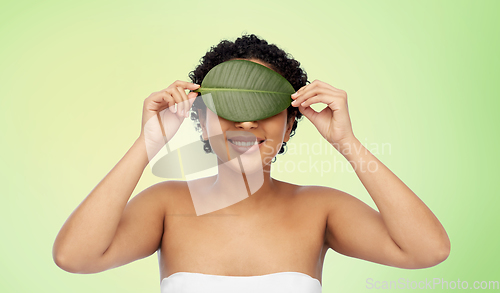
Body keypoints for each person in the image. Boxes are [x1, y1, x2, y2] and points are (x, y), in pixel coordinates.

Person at [52, 34, 450, 292]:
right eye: (229, 108)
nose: (245, 121)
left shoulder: (322, 209)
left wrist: (346, 143)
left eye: (263, 107)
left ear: (291, 120)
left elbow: (427, 250)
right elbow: (75, 257)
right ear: (202, 117)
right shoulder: (165, 206)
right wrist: (149, 142)